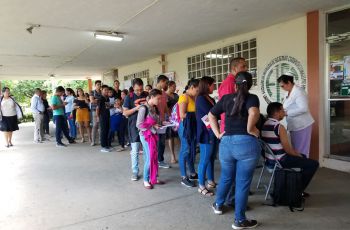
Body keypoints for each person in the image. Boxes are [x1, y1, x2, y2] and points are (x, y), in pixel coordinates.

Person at [209, 71, 260, 229]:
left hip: (226, 143)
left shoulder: (226, 98)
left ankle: (218, 205)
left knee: (226, 177)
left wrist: (218, 133)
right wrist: (250, 128)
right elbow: (254, 112)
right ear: (250, 84)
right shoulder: (252, 98)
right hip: (245, 144)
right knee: (242, 183)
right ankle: (239, 220)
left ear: (235, 85)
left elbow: (211, 114)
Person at [261, 102, 319, 197]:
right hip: (281, 160)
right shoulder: (279, 127)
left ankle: (293, 186)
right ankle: (297, 190)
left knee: (304, 158)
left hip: (270, 160)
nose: (284, 112)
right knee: (313, 164)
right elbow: (288, 150)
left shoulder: (265, 125)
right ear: (276, 113)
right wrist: (298, 155)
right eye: (282, 110)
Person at [218, 57, 248, 206]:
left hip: (232, 130)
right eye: (243, 66)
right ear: (235, 68)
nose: (246, 69)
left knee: (235, 170)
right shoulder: (230, 84)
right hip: (231, 131)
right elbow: (227, 110)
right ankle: (232, 199)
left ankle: (234, 197)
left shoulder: (233, 83)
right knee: (232, 172)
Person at [278, 75, 315, 158]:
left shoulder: (299, 92)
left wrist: (287, 113)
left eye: (282, 85)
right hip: (294, 125)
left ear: (289, 82)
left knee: (302, 150)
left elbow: (303, 108)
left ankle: (304, 168)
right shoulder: (287, 93)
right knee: (296, 149)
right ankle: (299, 167)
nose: (282, 88)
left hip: (302, 125)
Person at [136, 89, 166, 189]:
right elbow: (139, 125)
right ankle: (146, 179)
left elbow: (155, 121)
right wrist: (153, 127)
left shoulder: (154, 108)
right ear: (152, 97)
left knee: (154, 157)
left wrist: (162, 123)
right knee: (150, 158)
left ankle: (153, 177)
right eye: (158, 98)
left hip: (153, 135)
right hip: (145, 136)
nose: (160, 100)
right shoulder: (143, 108)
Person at [195, 76, 218, 196]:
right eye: (213, 84)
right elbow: (211, 114)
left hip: (213, 131)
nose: (214, 86)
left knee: (211, 158)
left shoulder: (209, 98)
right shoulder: (200, 99)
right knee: (204, 159)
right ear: (207, 85)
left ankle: (211, 181)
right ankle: (201, 185)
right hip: (206, 133)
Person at [123, 78, 148, 181]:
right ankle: (135, 171)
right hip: (134, 126)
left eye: (141, 89)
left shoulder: (146, 95)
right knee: (135, 150)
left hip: (146, 125)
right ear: (133, 88)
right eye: (137, 90)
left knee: (147, 149)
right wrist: (136, 108)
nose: (139, 91)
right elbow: (125, 113)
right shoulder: (129, 97)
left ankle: (148, 170)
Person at [178, 78, 200, 187]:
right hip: (185, 127)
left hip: (193, 126)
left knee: (191, 150)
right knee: (185, 151)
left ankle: (192, 173)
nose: (198, 92)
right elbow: (182, 115)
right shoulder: (184, 97)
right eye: (197, 90)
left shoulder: (194, 97)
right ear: (191, 87)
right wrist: (197, 115)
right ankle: (183, 177)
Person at [156, 75, 171, 169]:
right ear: (161, 81)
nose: (166, 85)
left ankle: (160, 160)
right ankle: (154, 161)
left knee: (162, 142)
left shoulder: (164, 94)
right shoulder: (152, 93)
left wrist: (170, 116)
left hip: (163, 121)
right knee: (155, 143)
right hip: (154, 122)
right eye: (165, 83)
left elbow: (165, 107)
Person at [166, 80, 179, 163]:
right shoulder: (165, 95)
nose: (175, 88)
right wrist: (170, 116)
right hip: (169, 118)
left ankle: (179, 154)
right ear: (169, 86)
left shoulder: (176, 95)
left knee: (177, 136)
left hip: (176, 118)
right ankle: (172, 155)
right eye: (173, 87)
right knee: (170, 136)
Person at [97, 85, 111, 152]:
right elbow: (97, 108)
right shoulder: (100, 98)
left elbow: (107, 107)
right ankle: (103, 147)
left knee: (107, 130)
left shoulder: (107, 98)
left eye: (107, 90)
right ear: (102, 90)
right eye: (105, 90)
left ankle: (106, 145)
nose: (106, 91)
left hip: (107, 116)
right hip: (102, 117)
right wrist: (97, 117)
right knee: (103, 131)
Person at [90, 80, 102, 146]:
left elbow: (103, 100)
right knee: (95, 125)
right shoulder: (92, 92)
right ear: (95, 85)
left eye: (100, 84)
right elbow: (92, 101)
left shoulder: (102, 92)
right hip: (94, 110)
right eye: (98, 84)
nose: (99, 86)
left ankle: (101, 140)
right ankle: (93, 141)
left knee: (101, 126)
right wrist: (97, 100)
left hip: (101, 110)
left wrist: (96, 100)